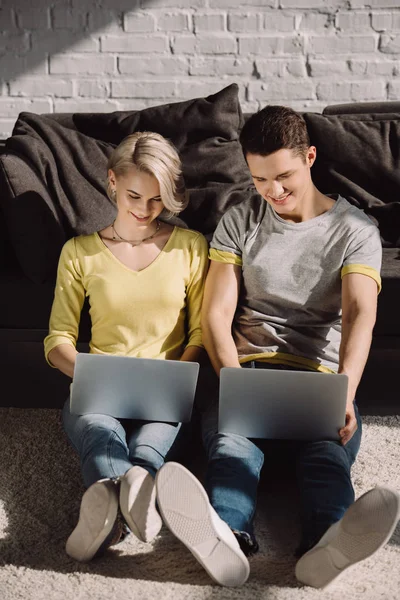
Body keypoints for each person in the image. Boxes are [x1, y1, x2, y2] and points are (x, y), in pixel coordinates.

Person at [154, 106, 400, 588]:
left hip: (319, 377)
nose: (273, 191)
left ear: (309, 157)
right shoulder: (240, 219)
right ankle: (227, 535)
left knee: (324, 456)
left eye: (283, 176)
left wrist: (345, 392)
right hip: (246, 369)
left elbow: (358, 316)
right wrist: (233, 382)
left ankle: (325, 545)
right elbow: (216, 315)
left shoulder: (356, 231)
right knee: (232, 449)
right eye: (260, 179)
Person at [44, 131, 209, 562]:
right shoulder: (79, 253)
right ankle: (125, 513)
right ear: (112, 181)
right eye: (135, 195)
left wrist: (178, 379)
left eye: (157, 200)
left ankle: (107, 515)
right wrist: (90, 374)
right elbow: (57, 338)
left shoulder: (190, 247)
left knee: (146, 452)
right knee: (101, 439)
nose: (144, 210)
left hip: (165, 397)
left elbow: (199, 335)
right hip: (97, 390)